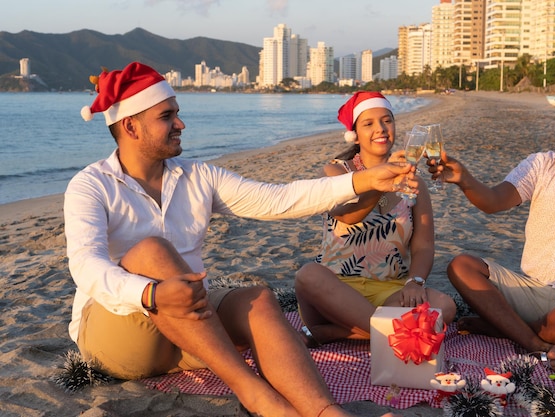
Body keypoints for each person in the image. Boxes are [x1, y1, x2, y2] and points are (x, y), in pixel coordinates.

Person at [65, 62, 415, 417]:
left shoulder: (198, 176)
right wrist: (150, 293)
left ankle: (326, 412)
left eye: (177, 114)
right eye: (167, 116)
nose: (180, 124)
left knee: (259, 300)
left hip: (191, 334)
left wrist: (366, 180)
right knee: (152, 252)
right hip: (123, 333)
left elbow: (277, 199)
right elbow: (85, 265)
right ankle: (257, 397)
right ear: (130, 126)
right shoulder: (92, 185)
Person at [429, 68, 555, 373]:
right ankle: (536, 340)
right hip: (529, 288)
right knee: (461, 266)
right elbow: (494, 201)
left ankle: (504, 328)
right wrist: (463, 179)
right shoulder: (540, 164)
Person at [294, 91, 457, 348]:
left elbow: (423, 244)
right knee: (308, 274)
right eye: (368, 124)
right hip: (334, 290)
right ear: (355, 134)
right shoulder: (337, 171)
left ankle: (331, 333)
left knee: (444, 306)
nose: (380, 129)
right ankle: (390, 330)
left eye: (387, 121)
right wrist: (385, 180)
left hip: (389, 291)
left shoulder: (415, 184)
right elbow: (348, 216)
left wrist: (415, 282)